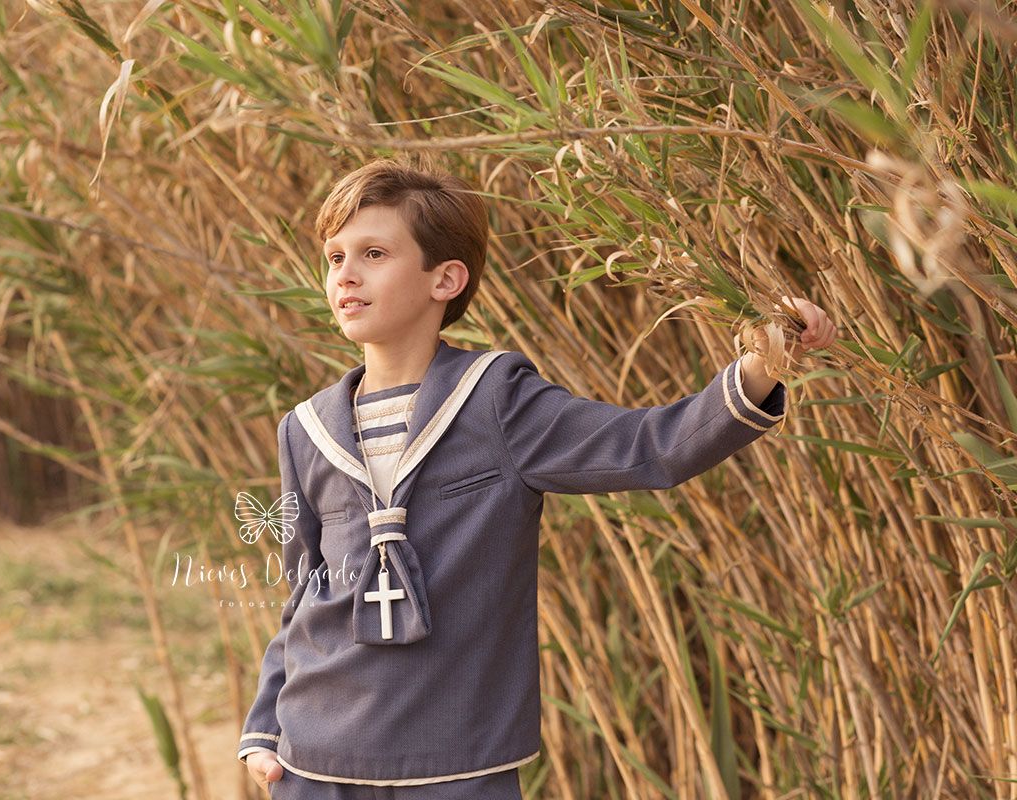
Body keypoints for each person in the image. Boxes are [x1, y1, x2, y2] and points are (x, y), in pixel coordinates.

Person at [237, 159, 837, 798]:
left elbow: (648, 448)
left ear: (446, 279)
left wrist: (763, 366)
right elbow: (304, 591)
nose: (345, 276)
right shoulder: (305, 429)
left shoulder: (495, 401)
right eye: (334, 257)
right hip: (313, 765)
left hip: (458, 764)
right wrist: (264, 729)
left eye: (374, 253)